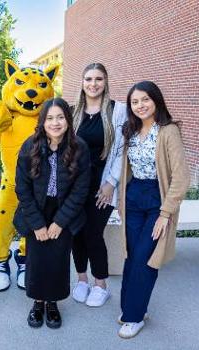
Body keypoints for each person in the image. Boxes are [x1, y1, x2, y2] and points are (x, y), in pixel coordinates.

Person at [117, 81, 190, 338]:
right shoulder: (131, 130)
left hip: (158, 200)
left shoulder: (168, 131)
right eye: (135, 102)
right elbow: (126, 170)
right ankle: (131, 308)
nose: (140, 105)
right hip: (134, 197)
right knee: (131, 254)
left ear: (156, 100)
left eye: (145, 99)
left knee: (146, 258)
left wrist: (165, 213)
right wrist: (120, 200)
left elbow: (181, 178)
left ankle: (134, 317)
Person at [14, 98, 90, 329]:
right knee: (37, 259)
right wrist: (37, 224)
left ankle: (53, 304)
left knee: (57, 259)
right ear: (42, 121)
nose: (55, 123)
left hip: (64, 212)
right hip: (36, 209)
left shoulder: (80, 148)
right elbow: (22, 188)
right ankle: (38, 303)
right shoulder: (30, 146)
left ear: (68, 120)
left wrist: (60, 222)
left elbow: (80, 190)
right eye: (49, 118)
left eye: (60, 117)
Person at [71, 63, 127, 307]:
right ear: (82, 82)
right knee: (76, 234)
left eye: (98, 79)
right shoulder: (73, 112)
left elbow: (123, 149)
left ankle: (100, 284)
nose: (93, 84)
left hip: (102, 185)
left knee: (93, 233)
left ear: (106, 82)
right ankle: (82, 280)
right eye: (88, 79)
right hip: (75, 186)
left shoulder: (117, 111)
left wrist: (111, 183)